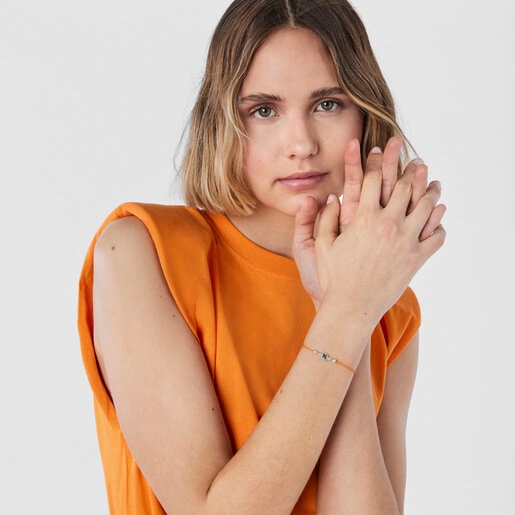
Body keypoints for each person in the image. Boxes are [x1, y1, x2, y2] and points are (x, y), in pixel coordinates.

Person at [78, 0, 446, 513]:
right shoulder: (143, 251)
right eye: (264, 110)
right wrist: (345, 315)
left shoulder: (392, 310)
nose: (301, 143)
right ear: (223, 122)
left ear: (366, 112)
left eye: (327, 103)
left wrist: (353, 304)